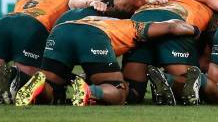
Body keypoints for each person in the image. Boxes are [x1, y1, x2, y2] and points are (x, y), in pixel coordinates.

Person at [14, 16, 198, 106]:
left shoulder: (99, 17)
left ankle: (37, 87)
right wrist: (195, 30)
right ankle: (89, 91)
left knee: (52, 87)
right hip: (93, 36)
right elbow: (172, 26)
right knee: (119, 89)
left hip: (61, 31)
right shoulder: (133, 26)